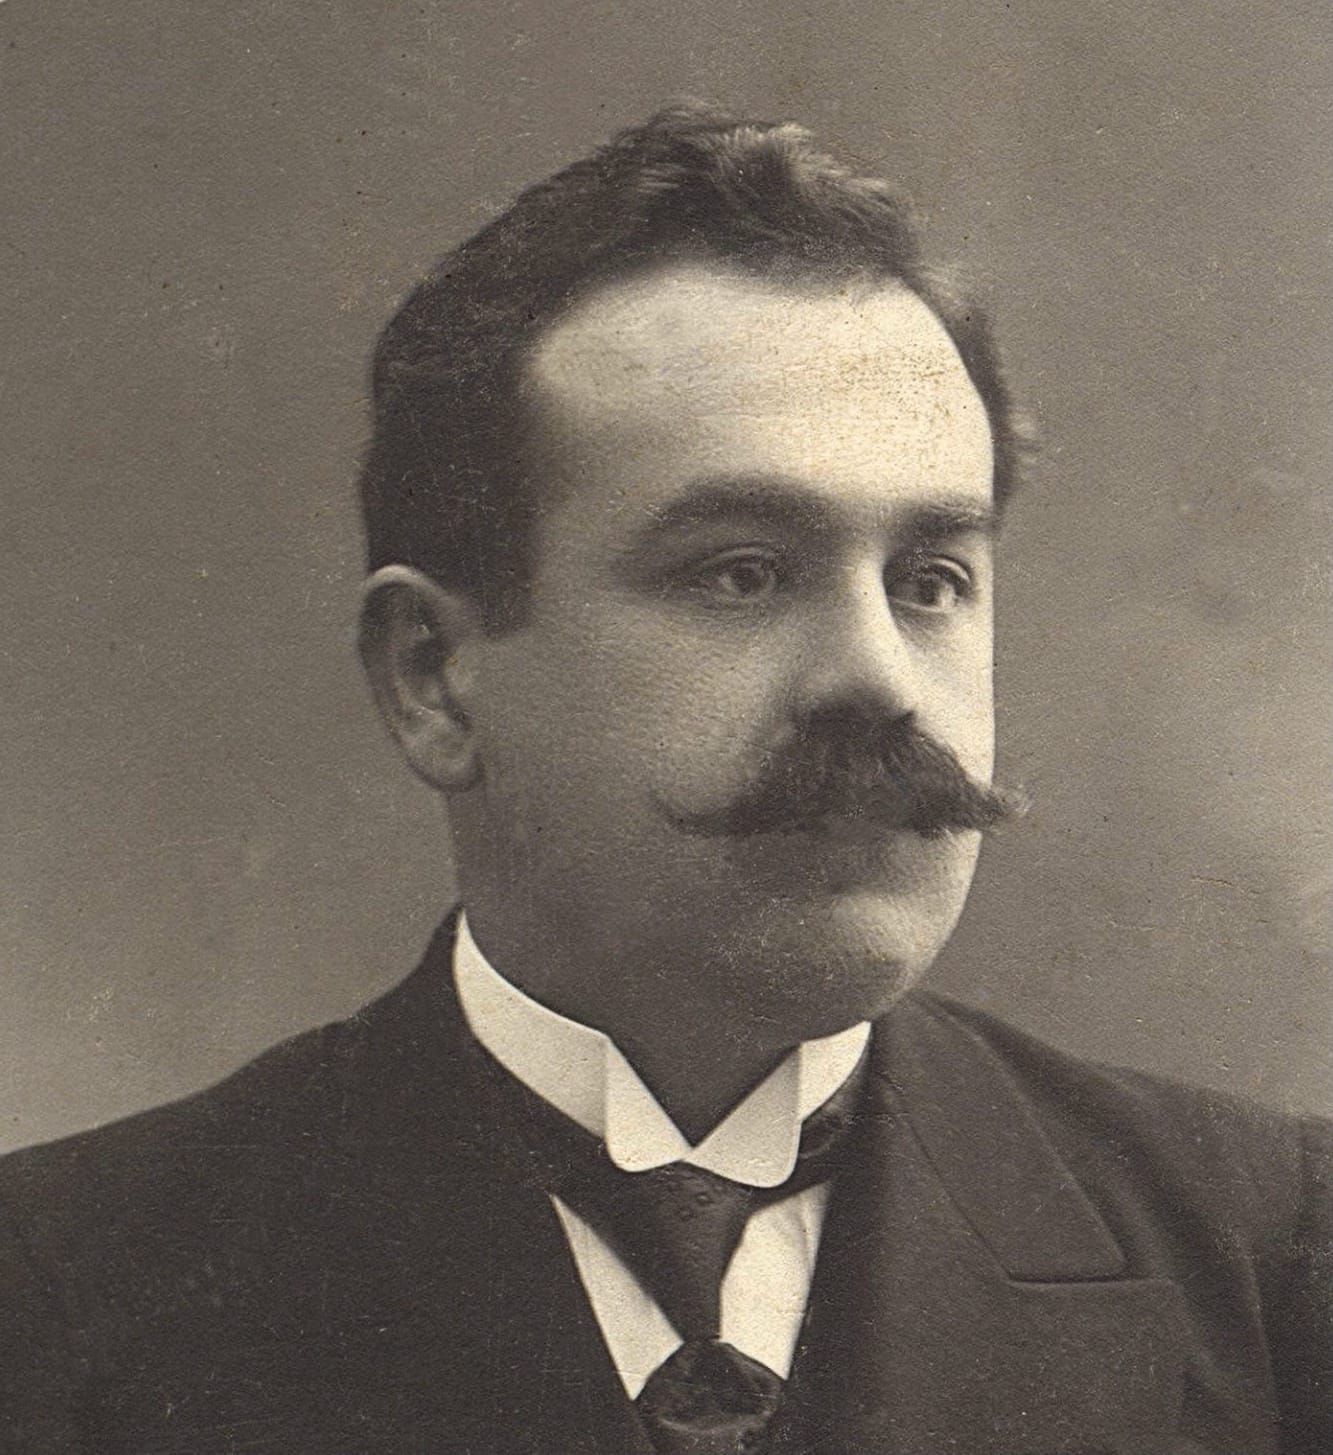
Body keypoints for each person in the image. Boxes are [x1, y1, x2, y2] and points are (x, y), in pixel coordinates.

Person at [0, 104, 1326, 1455]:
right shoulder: (58, 1298)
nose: (878, 679)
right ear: (434, 677)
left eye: (930, 580)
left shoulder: (1273, 1260)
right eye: (739, 573)